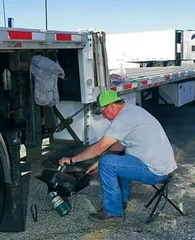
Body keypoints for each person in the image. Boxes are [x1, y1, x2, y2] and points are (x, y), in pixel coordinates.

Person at [59, 89, 177, 223]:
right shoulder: (131, 110)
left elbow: (98, 148)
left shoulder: (123, 118)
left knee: (107, 162)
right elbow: (119, 145)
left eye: (103, 112)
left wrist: (71, 160)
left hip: (155, 171)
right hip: (163, 166)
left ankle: (113, 211)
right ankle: (121, 201)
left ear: (111, 105)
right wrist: (98, 164)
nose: (103, 117)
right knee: (113, 160)